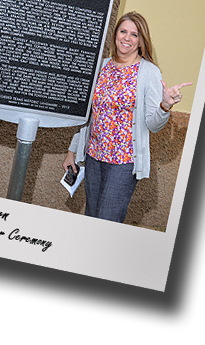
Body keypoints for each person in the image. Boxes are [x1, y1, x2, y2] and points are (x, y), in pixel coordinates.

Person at [63, 12, 192, 224]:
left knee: (107, 221)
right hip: (93, 157)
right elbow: (87, 115)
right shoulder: (102, 66)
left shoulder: (149, 72)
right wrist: (72, 151)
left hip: (123, 163)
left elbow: (154, 125)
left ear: (141, 41)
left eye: (134, 34)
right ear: (115, 35)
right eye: (123, 31)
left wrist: (165, 105)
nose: (127, 38)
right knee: (91, 218)